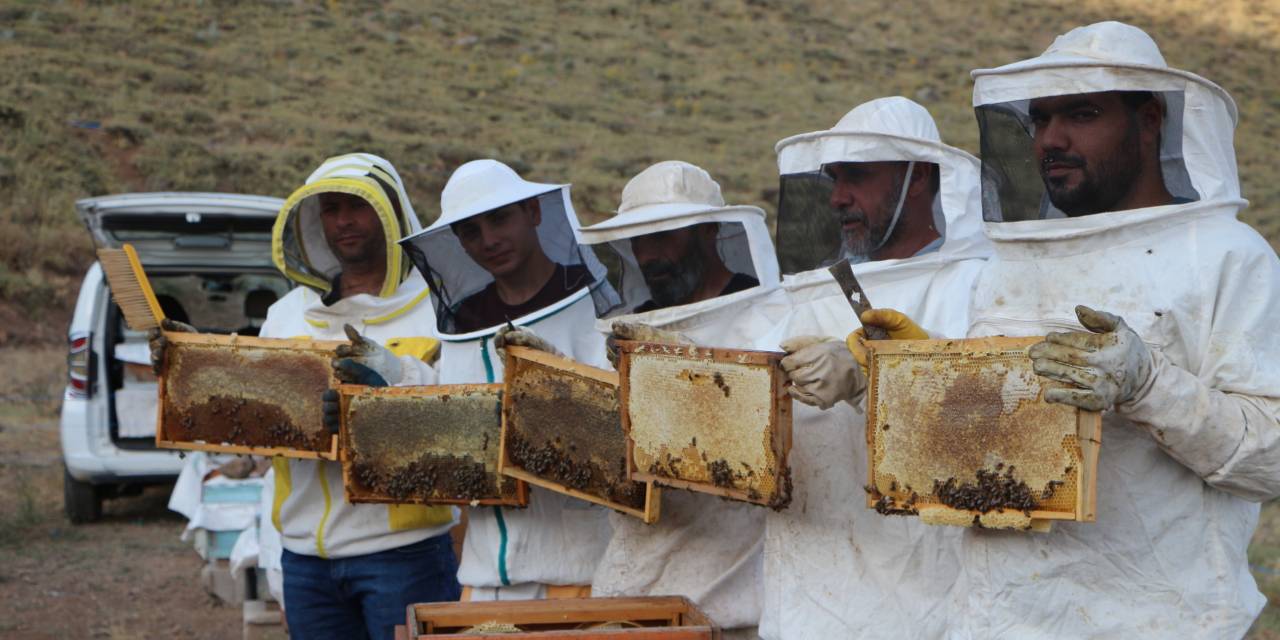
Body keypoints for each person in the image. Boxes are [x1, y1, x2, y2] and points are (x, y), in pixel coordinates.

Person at [864, 22, 1280, 637]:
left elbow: (1270, 461)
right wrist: (921, 381)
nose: (1050, 140)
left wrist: (1147, 387)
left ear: (1149, 121)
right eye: (1039, 120)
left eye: (1081, 114)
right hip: (996, 617)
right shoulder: (1007, 262)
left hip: (1161, 620)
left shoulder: (1225, 256)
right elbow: (988, 438)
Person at [159, 153, 459, 640]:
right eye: (331, 209)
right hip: (306, 564)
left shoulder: (439, 311)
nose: (343, 222)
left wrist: (385, 386)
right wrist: (191, 369)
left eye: (356, 207)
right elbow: (264, 440)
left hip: (403, 552)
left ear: (390, 212)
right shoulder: (285, 316)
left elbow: (460, 417)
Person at [759, 96, 991, 639]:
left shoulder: (977, 287)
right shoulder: (808, 293)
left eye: (858, 177)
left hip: (927, 611)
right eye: (835, 178)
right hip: (804, 605)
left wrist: (874, 381)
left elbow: (988, 436)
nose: (839, 197)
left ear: (918, 179)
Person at [567, 160, 786, 639]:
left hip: (730, 607)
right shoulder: (626, 329)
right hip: (630, 592)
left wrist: (688, 384)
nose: (648, 256)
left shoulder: (769, 322)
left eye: (663, 237)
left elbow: (768, 457)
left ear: (709, 232)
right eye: (638, 242)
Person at [400, 159, 616, 601]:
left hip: (578, 571)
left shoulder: (594, 306)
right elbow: (448, 409)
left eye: (499, 219)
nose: (489, 240)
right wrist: (391, 378)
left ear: (534, 213)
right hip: (482, 577)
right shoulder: (464, 319)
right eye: (471, 231)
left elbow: (620, 431)